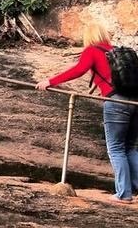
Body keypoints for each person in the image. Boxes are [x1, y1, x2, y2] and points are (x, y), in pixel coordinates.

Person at [37, 21, 138, 203]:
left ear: (89, 37)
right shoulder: (118, 51)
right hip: (135, 101)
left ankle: (124, 194)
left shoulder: (91, 51)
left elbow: (79, 70)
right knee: (130, 148)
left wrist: (50, 81)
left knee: (116, 149)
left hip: (115, 102)